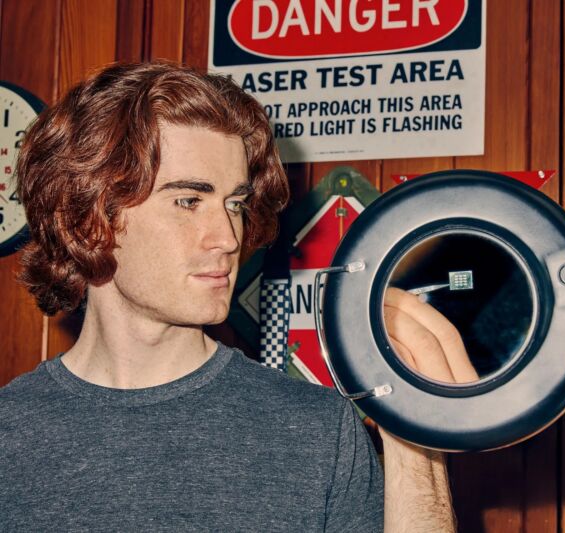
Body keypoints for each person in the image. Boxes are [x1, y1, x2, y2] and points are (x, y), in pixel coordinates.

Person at [0, 62, 462, 531]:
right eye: (188, 201)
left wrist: (414, 437)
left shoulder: (318, 431)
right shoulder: (9, 433)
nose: (227, 237)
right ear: (86, 220)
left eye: (235, 204)